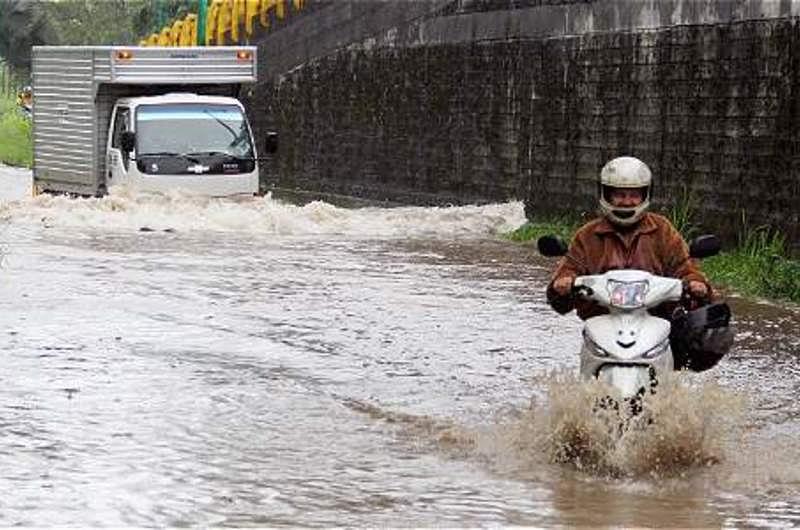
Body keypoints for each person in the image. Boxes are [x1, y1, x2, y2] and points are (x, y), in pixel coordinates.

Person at [545, 156, 732, 371]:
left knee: (715, 330)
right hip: (603, 327)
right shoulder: (587, 236)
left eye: (634, 195)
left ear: (645, 195)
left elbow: (685, 267)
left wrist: (695, 283)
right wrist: (563, 284)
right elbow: (565, 278)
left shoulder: (663, 231)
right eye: (619, 194)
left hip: (656, 324)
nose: (627, 201)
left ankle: (676, 386)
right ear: (606, 194)